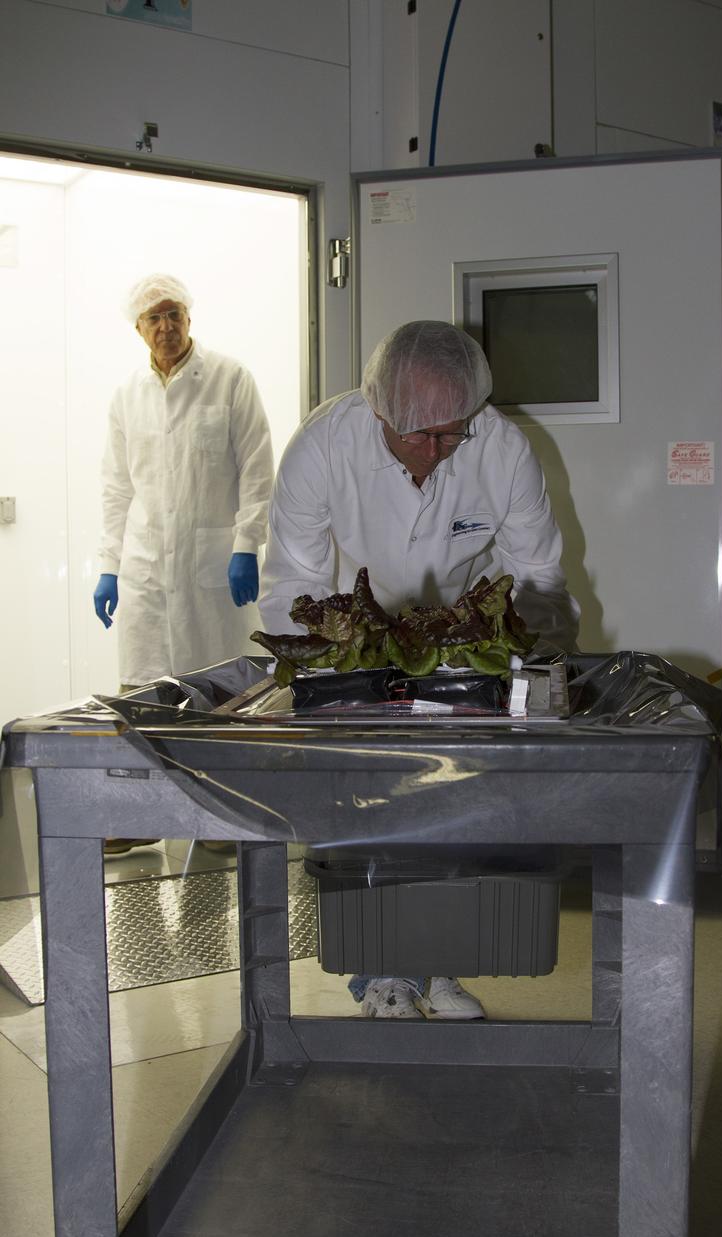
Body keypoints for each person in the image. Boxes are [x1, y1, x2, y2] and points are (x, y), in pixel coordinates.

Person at [259, 319, 579, 1020]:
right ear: (378, 411)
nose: (437, 451)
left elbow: (536, 575)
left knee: (457, 801)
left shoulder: (497, 448)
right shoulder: (323, 446)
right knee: (369, 798)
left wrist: (544, 673)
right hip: (356, 635)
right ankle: (381, 972)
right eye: (419, 435)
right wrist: (315, 678)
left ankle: (437, 962)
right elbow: (293, 583)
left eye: (451, 433)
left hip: (462, 639)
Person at [94, 273, 274, 856]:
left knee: (219, 698)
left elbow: (257, 469)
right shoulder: (127, 396)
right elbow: (116, 488)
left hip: (213, 570)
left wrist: (247, 544)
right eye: (153, 319)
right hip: (147, 570)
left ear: (189, 317)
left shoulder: (229, 380)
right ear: (138, 329)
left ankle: (222, 817)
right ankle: (143, 817)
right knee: (143, 697)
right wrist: (108, 564)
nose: (165, 327)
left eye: (173, 314)